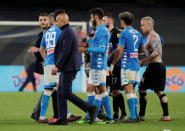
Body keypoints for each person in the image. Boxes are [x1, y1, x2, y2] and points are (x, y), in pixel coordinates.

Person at [48, 9, 97, 125]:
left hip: (68, 67)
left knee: (65, 92)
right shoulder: (68, 31)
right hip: (68, 66)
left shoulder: (67, 32)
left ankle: (90, 108)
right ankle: (62, 118)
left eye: (58, 21)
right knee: (60, 92)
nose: (56, 23)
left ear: (64, 20)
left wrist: (57, 66)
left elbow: (65, 51)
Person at [78, 8, 113, 123]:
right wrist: (87, 39)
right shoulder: (98, 30)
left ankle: (92, 117)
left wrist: (86, 49)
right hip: (95, 65)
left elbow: (102, 50)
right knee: (96, 90)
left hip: (98, 65)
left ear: (96, 17)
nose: (90, 19)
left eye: (91, 17)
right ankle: (98, 116)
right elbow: (95, 45)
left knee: (99, 91)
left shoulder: (102, 30)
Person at [110, 12, 144, 123]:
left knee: (128, 90)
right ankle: (136, 116)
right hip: (135, 64)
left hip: (127, 65)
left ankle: (133, 117)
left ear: (123, 21)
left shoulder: (124, 33)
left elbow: (120, 50)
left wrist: (113, 64)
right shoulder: (138, 33)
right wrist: (133, 53)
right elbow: (142, 49)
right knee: (133, 91)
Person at [138, 16, 170, 121]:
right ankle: (166, 115)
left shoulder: (153, 36)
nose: (141, 27)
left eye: (143, 25)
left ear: (149, 25)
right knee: (159, 91)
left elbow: (157, 52)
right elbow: (149, 50)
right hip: (158, 66)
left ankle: (141, 115)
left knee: (141, 88)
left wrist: (144, 61)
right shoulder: (149, 37)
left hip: (154, 66)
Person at [103, 13, 127, 122]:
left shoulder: (116, 33)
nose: (103, 22)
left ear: (111, 20)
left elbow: (119, 50)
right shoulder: (108, 34)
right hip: (109, 67)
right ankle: (115, 114)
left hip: (116, 66)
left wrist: (112, 64)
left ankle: (124, 114)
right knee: (112, 91)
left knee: (116, 90)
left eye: (104, 20)